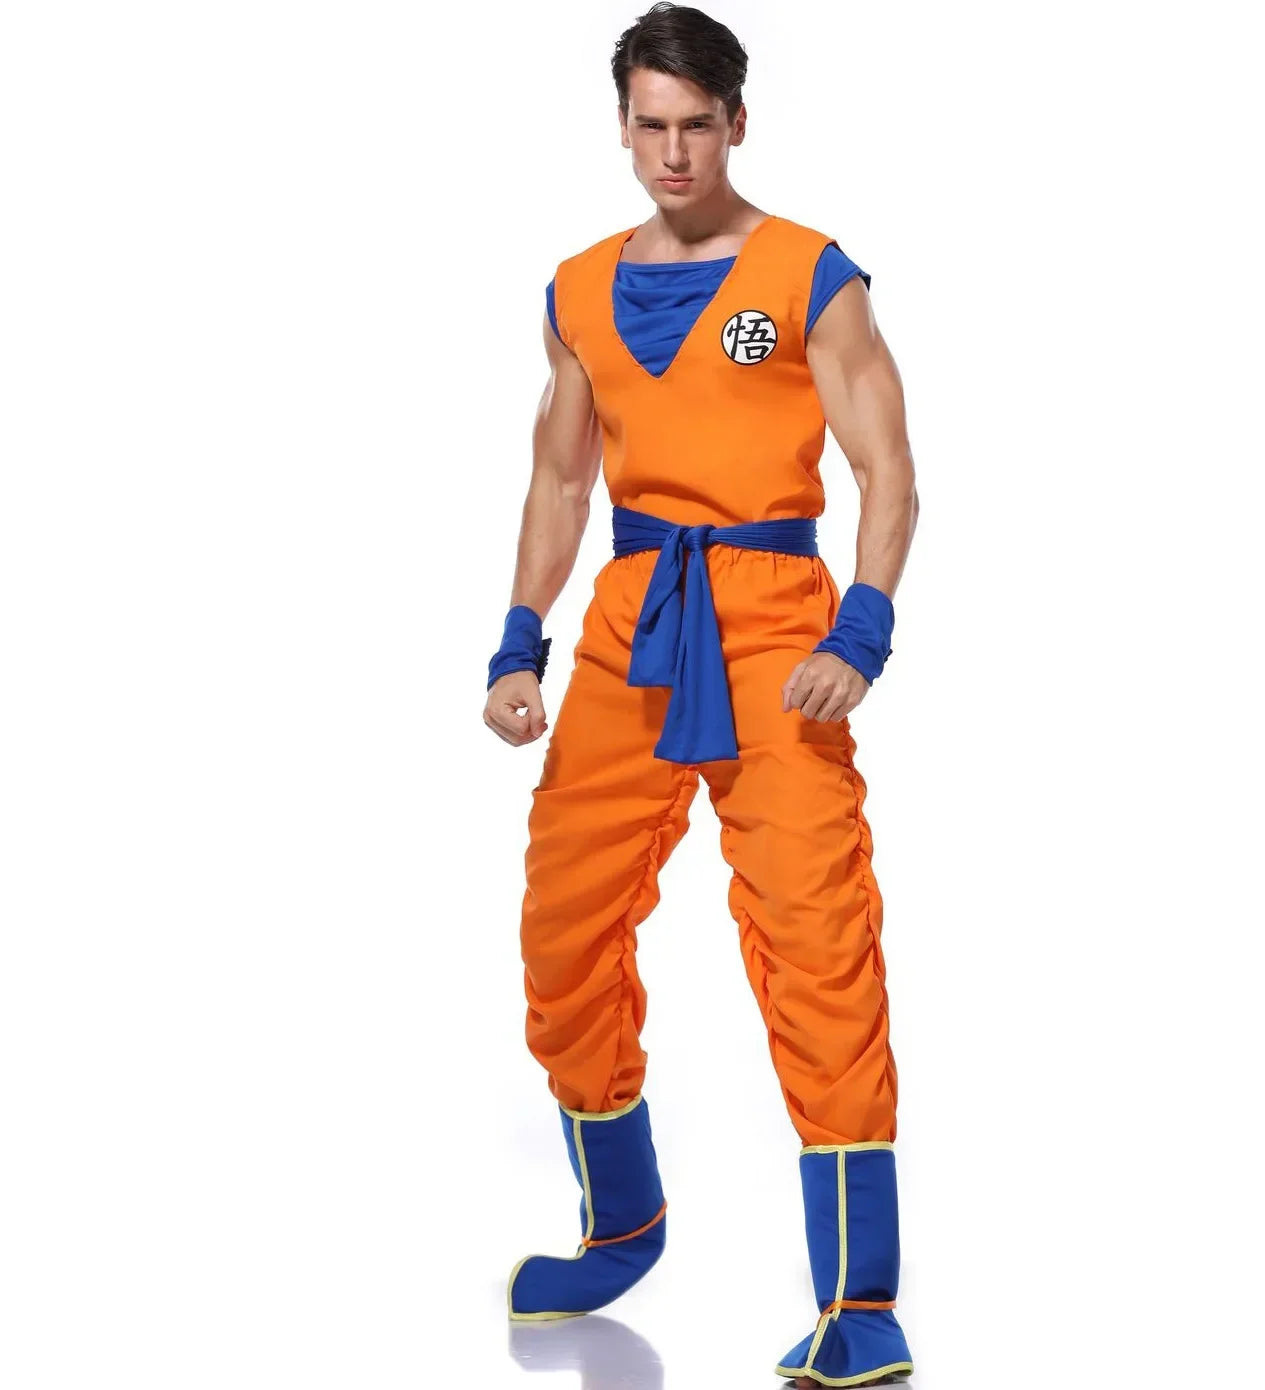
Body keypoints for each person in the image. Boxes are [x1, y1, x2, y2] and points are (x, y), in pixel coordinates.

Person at [483, 5, 919, 1385]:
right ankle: (620, 1219)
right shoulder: (575, 290)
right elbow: (560, 480)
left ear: (737, 123)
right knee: (562, 925)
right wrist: (517, 641)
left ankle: (859, 1300)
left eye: (696, 126)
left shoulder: (809, 275)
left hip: (776, 625)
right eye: (649, 126)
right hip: (630, 621)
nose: (672, 152)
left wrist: (862, 630)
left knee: (814, 935)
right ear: (621, 127)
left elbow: (887, 469)